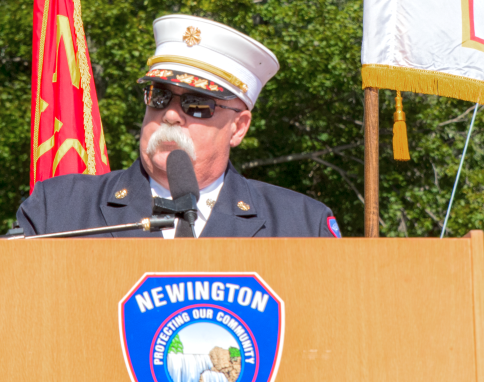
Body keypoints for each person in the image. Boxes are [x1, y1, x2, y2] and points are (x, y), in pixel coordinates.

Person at [17, 14, 342, 239]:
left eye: (197, 105)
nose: (171, 115)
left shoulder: (300, 222)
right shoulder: (59, 209)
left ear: (239, 127)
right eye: (160, 97)